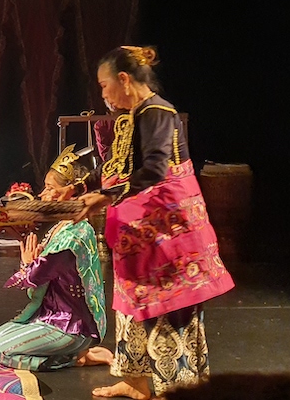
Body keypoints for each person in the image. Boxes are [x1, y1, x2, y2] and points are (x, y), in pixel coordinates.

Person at [74, 46, 234, 399]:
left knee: (168, 310)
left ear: (124, 80)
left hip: (169, 233)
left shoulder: (158, 112)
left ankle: (176, 390)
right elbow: (118, 168)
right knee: (133, 306)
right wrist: (80, 186)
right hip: (144, 230)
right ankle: (136, 382)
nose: (102, 94)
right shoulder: (134, 115)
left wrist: (105, 197)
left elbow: (155, 169)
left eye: (104, 85)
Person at [0, 145, 112, 371]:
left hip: (71, 327)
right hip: (52, 317)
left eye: (49, 188)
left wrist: (27, 263)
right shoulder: (64, 226)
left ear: (71, 192)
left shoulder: (73, 236)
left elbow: (35, 278)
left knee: (1, 350)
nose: (43, 195)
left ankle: (75, 358)